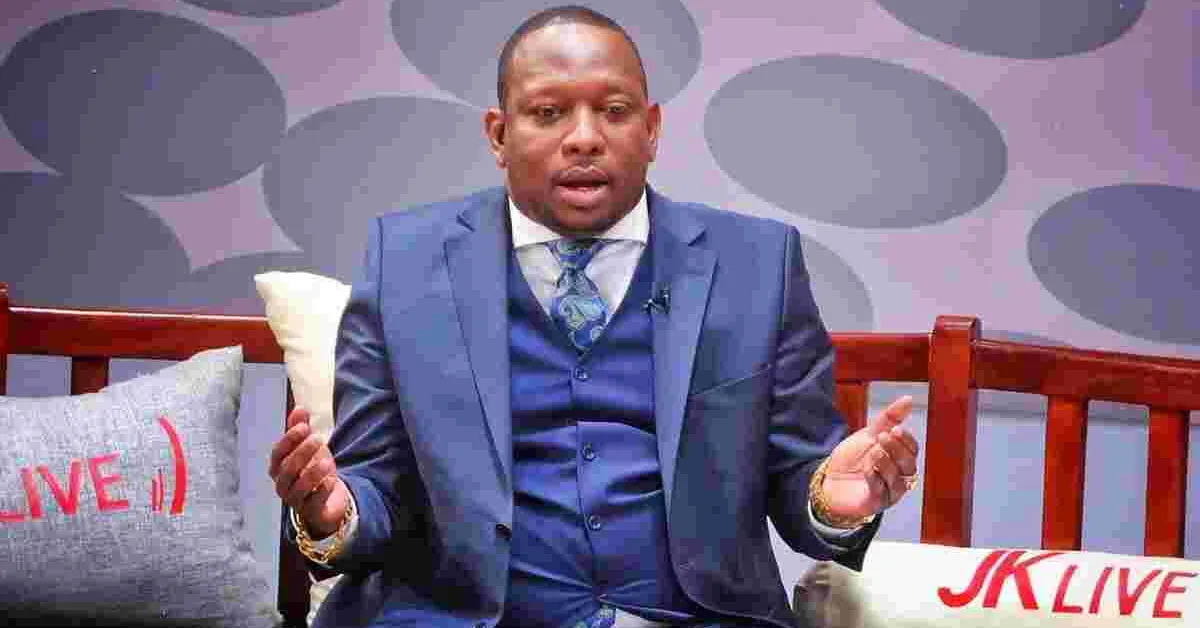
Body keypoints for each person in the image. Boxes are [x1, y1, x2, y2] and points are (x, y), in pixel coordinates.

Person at [268, 6, 920, 627]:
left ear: (651, 129)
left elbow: (800, 479)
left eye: (614, 111)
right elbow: (374, 485)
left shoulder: (757, 264)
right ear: (499, 134)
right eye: (549, 113)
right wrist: (333, 510)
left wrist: (833, 500)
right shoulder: (406, 261)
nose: (584, 138)